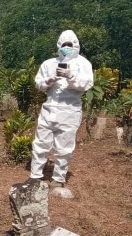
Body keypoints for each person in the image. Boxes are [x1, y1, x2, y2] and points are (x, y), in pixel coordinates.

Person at [29, 30, 94, 188]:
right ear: (59, 45)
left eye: (69, 45)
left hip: (70, 109)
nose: (66, 48)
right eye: (64, 45)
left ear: (76, 45)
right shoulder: (49, 63)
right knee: (40, 143)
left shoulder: (83, 64)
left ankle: (58, 179)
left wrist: (70, 76)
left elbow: (86, 84)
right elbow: (39, 84)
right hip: (50, 107)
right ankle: (35, 176)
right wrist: (49, 80)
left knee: (64, 147)